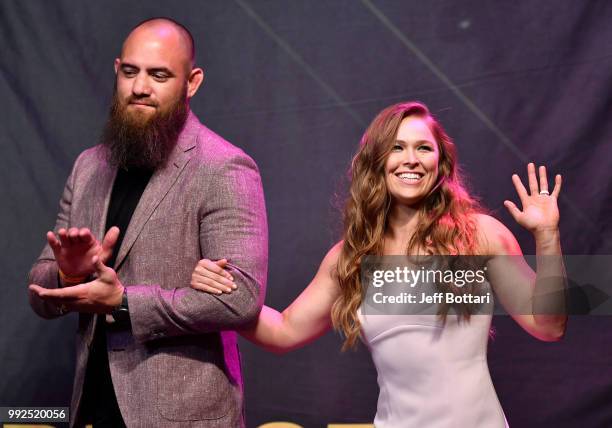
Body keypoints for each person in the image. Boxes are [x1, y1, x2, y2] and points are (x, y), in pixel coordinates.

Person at [190, 101, 567, 427]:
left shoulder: (480, 236)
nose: (411, 160)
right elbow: (284, 331)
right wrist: (224, 293)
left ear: (441, 162)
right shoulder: (351, 257)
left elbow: (549, 326)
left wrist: (547, 236)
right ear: (378, 162)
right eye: (397, 147)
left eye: (424, 148)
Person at [27, 18, 268, 428]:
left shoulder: (224, 167)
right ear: (117, 70)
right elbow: (39, 289)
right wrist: (69, 276)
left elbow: (240, 298)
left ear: (191, 82)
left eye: (159, 75)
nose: (140, 87)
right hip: (94, 407)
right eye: (130, 72)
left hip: (183, 416)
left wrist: (122, 302)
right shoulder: (89, 166)